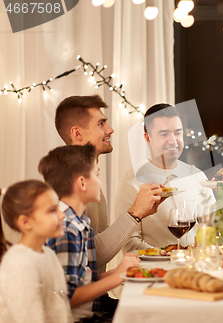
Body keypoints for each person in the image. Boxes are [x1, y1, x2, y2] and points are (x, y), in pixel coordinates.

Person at [54, 95, 164, 273]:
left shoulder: (88, 179)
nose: (110, 129)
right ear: (77, 133)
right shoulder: (67, 185)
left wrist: (141, 212)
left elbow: (95, 247)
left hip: (98, 294)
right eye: (101, 124)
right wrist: (134, 213)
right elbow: (88, 259)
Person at [39, 144, 140, 322]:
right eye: (97, 175)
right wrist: (117, 277)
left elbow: (81, 280)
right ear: (82, 182)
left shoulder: (78, 223)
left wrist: (117, 271)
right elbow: (65, 298)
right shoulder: (66, 229)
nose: (99, 182)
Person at [116, 104, 215, 252]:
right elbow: (129, 243)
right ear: (147, 138)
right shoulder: (131, 182)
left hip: (193, 269)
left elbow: (212, 228)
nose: (173, 140)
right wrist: (166, 255)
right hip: (155, 271)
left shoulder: (197, 176)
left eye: (177, 133)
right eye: (164, 134)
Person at [0, 180, 72, 323]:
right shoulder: (19, 265)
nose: (62, 215)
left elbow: (62, 309)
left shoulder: (48, 254)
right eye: (52, 210)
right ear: (25, 223)